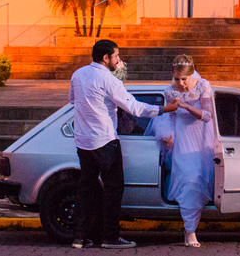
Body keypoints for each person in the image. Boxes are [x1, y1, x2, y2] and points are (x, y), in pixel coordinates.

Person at [69, 39, 178, 249]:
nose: (119, 61)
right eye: (116, 56)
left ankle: (80, 236)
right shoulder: (110, 81)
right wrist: (166, 109)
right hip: (105, 141)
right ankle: (110, 236)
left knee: (86, 188)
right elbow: (135, 108)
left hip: (83, 142)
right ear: (106, 58)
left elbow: (73, 100)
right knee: (113, 189)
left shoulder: (78, 75)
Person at [151, 55, 215, 247]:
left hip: (201, 138)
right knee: (190, 180)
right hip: (181, 140)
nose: (180, 83)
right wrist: (167, 134)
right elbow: (169, 117)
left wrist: (186, 105)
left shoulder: (203, 85)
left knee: (200, 180)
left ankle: (189, 231)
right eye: (177, 79)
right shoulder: (170, 91)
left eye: (184, 79)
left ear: (190, 75)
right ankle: (190, 232)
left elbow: (207, 115)